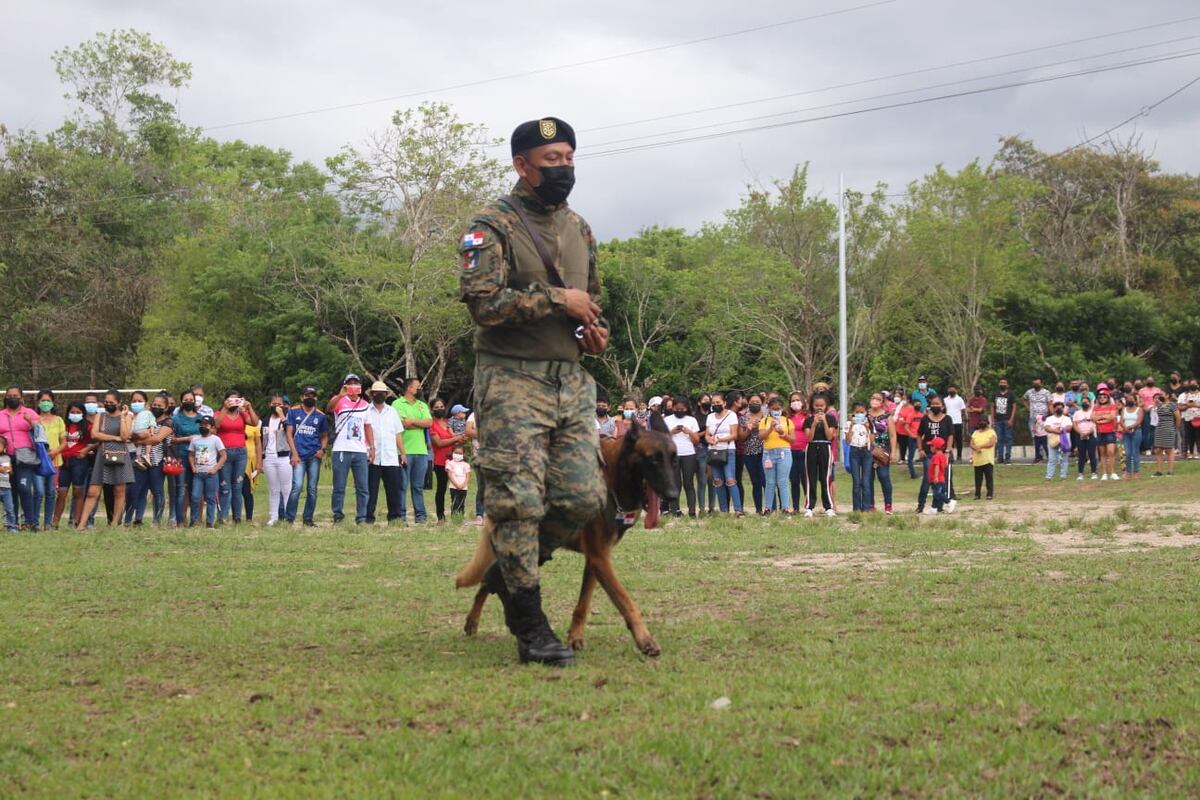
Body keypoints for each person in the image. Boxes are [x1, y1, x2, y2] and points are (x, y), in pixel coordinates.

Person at [456, 115, 608, 666]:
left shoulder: (581, 229)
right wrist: (555, 300)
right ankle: (530, 624)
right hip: (511, 378)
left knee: (583, 497)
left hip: (570, 380)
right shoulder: (491, 225)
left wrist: (593, 332)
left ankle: (508, 568)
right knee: (517, 502)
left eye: (569, 159)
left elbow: (590, 303)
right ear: (522, 165)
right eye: (551, 161)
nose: (564, 169)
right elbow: (484, 304)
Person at [77, 390, 133, 529]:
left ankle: (115, 523)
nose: (108, 404)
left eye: (111, 402)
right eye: (106, 402)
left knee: (119, 491)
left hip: (121, 455)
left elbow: (125, 436)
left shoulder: (127, 416)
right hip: (103, 455)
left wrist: (122, 417)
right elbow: (95, 434)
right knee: (92, 491)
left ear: (118, 403)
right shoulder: (100, 416)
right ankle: (82, 524)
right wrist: (114, 438)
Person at [327, 374, 374, 525]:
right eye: (350, 383)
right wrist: (340, 395)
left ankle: (361, 517)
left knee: (362, 487)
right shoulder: (340, 401)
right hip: (341, 448)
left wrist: (371, 447)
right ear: (345, 385)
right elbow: (329, 407)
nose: (353, 386)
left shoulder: (365, 405)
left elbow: (367, 427)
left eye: (355, 383)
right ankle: (338, 516)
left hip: (360, 450)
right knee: (339, 486)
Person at [286, 386, 329, 526]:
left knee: (312, 489)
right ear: (302, 397)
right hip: (298, 455)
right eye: (307, 395)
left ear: (316, 398)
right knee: (297, 486)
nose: (310, 397)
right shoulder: (293, 411)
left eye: (313, 395)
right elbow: (289, 434)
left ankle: (308, 518)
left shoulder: (321, 416)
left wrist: (322, 449)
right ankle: (289, 518)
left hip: (314, 456)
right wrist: (294, 453)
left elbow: (324, 436)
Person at [126, 395, 172, 526]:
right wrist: (137, 439)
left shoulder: (168, 422)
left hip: (156, 462)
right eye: (154, 404)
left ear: (166, 407)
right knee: (134, 490)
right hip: (140, 460)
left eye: (160, 405)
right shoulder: (145, 418)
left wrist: (138, 440)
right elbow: (133, 437)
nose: (156, 407)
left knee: (157, 491)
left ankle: (156, 521)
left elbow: (157, 439)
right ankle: (128, 520)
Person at [214, 390, 259, 524]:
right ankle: (223, 516)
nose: (234, 402)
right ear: (225, 400)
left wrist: (248, 407)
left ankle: (237, 517)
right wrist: (225, 408)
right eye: (231, 399)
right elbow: (217, 425)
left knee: (238, 485)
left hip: (240, 453)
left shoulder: (242, 414)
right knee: (225, 486)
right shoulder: (219, 413)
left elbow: (255, 423)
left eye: (237, 399)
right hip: (224, 453)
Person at [1, 386, 42, 530]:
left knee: (24, 488)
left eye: (15, 395)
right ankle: (13, 523)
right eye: (10, 395)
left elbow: (40, 432)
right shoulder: (1, 415)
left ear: (21, 398)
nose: (12, 398)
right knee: (10, 490)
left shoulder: (29, 412)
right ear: (5, 397)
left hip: (25, 457)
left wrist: (32, 422)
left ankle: (30, 522)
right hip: (6, 458)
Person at [365, 381, 406, 525]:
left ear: (386, 394)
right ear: (372, 394)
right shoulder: (366, 410)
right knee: (371, 490)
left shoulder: (392, 411)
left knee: (393, 490)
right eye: (377, 392)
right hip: (372, 457)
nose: (380, 395)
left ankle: (394, 518)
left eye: (382, 393)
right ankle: (368, 518)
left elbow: (398, 434)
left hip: (390, 456)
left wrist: (403, 453)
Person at [393, 377, 432, 524]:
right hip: (404, 450)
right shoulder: (397, 403)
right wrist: (418, 423)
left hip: (421, 451)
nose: (420, 389)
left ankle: (421, 516)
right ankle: (401, 517)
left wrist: (412, 421)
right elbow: (402, 424)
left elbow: (429, 422)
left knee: (418, 487)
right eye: (418, 386)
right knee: (402, 485)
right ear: (409, 388)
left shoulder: (422, 405)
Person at [54, 401, 94, 527]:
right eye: (72, 412)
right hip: (64, 462)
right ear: (68, 413)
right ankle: (55, 522)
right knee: (61, 493)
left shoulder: (88, 426)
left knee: (78, 491)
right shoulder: (64, 426)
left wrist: (86, 450)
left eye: (78, 412)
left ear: (83, 414)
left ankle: (77, 522)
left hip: (80, 461)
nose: (75, 414)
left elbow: (97, 441)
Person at [704, 392, 742, 517]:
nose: (716, 405)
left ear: (724, 403)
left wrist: (719, 439)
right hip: (713, 451)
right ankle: (723, 510)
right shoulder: (710, 417)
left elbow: (734, 434)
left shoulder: (731, 415)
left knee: (730, 480)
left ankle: (738, 509)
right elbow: (707, 434)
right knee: (718, 481)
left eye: (718, 402)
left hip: (728, 449)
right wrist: (709, 439)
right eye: (713, 403)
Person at [916, 398, 956, 515]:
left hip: (942, 453)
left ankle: (938, 506)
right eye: (933, 404)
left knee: (941, 480)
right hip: (929, 453)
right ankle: (921, 505)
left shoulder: (947, 419)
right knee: (928, 479)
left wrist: (948, 450)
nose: (935, 406)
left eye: (937, 404)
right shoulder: (925, 419)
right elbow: (919, 434)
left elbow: (950, 435)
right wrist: (920, 449)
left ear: (942, 406)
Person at [170, 390, 203, 527]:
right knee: (182, 489)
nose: (189, 401)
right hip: (182, 456)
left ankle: (197, 520)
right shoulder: (176, 418)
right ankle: (180, 520)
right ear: (181, 401)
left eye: (191, 399)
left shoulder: (200, 417)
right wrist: (187, 439)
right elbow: (172, 439)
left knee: (197, 490)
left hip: (200, 457)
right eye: (186, 399)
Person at [757, 396, 794, 516]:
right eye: (773, 409)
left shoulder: (787, 421)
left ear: (782, 408)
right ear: (769, 409)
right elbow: (761, 436)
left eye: (778, 408)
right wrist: (770, 429)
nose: (776, 411)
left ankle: (785, 508)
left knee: (782, 481)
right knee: (770, 482)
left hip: (784, 452)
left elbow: (793, 439)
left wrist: (782, 433)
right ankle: (768, 508)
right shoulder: (765, 421)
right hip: (768, 453)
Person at [261, 394, 294, 527]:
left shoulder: (287, 419)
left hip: (283, 457)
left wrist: (282, 416)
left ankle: (287, 515)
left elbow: (290, 432)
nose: (276, 406)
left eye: (279, 404)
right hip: (268, 457)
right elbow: (260, 440)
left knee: (286, 488)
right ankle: (273, 516)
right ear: (269, 405)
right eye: (273, 404)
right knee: (273, 489)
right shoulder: (264, 421)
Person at [34, 389, 65, 530]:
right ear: (38, 402)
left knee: (51, 493)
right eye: (43, 400)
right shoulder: (34, 420)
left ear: (53, 402)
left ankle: (47, 524)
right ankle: (34, 522)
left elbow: (63, 441)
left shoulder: (58, 420)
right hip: (38, 462)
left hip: (54, 462)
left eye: (48, 400)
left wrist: (55, 452)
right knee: (39, 492)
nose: (45, 403)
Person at [187, 416, 226, 528]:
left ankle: (209, 522)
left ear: (212, 427)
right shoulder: (195, 439)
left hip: (211, 474)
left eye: (205, 425)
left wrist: (216, 468)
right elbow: (191, 454)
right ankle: (194, 521)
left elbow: (223, 455)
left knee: (210, 498)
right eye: (201, 424)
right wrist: (193, 466)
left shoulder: (215, 439)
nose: (202, 426)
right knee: (195, 497)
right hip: (198, 474)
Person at [803, 395, 837, 518]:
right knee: (810, 478)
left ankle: (828, 507)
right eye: (816, 405)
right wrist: (814, 424)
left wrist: (825, 422)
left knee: (825, 478)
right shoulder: (808, 420)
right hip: (812, 447)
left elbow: (829, 436)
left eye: (821, 405)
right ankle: (809, 507)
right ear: (813, 406)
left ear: (826, 406)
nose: (819, 408)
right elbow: (809, 438)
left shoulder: (831, 418)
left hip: (825, 447)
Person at [665, 398, 700, 517]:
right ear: (673, 408)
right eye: (677, 409)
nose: (679, 411)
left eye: (682, 409)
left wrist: (689, 432)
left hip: (688, 454)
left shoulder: (691, 420)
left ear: (686, 408)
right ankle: (675, 511)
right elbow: (663, 438)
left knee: (688, 483)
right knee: (675, 484)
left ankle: (692, 511)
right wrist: (672, 432)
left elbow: (696, 441)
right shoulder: (667, 420)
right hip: (673, 454)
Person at [430, 397, 459, 524]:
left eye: (442, 407)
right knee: (441, 489)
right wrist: (455, 439)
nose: (440, 409)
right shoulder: (431, 425)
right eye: (437, 407)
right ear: (432, 409)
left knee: (456, 487)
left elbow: (455, 439)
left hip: (454, 460)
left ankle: (457, 514)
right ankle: (440, 516)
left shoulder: (448, 423)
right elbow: (439, 443)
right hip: (440, 461)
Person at [866, 392, 897, 514]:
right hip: (867, 451)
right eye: (873, 398)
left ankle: (888, 505)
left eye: (878, 399)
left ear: (882, 402)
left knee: (884, 476)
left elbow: (893, 435)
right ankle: (870, 505)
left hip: (883, 451)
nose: (874, 400)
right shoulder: (865, 415)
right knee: (868, 478)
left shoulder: (887, 417)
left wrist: (894, 451)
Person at [738, 394, 766, 515]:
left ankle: (772, 508)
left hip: (765, 452)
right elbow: (741, 438)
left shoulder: (767, 416)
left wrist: (761, 426)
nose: (755, 403)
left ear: (762, 403)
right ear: (748, 403)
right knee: (756, 482)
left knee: (766, 481)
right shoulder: (743, 418)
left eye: (757, 401)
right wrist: (749, 428)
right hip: (749, 452)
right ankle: (758, 509)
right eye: (752, 401)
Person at [845, 401, 871, 513]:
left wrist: (868, 428)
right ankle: (856, 508)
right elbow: (847, 440)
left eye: (862, 412)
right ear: (853, 413)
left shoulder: (869, 423)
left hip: (866, 452)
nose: (860, 414)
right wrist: (851, 425)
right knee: (856, 482)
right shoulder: (849, 424)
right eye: (857, 412)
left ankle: (865, 508)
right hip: (855, 451)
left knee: (865, 481)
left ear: (866, 413)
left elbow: (872, 441)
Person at [1092, 385, 1121, 481]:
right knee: (1103, 453)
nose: (1102, 398)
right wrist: (1104, 417)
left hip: (1110, 432)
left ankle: (1113, 472)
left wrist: (1100, 418)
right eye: (1100, 397)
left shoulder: (1112, 406)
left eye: (1104, 397)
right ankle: (1104, 473)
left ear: (1108, 397)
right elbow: (1093, 418)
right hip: (1100, 432)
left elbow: (1112, 416)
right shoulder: (1096, 408)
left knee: (1111, 452)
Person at [787, 391, 808, 513]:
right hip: (790, 451)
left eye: (798, 400)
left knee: (806, 480)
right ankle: (795, 507)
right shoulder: (787, 417)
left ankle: (808, 506)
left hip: (804, 451)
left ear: (803, 402)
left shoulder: (808, 416)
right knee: (794, 480)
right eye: (793, 401)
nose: (795, 403)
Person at [1151, 392, 1180, 477]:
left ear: (1167, 395)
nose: (1160, 396)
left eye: (1162, 394)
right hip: (1159, 428)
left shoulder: (1172, 405)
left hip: (1169, 428)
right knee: (1158, 450)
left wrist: (1175, 428)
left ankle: (1170, 471)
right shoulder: (1159, 405)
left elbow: (1178, 417)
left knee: (1169, 450)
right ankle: (1159, 471)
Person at [1023, 378, 1051, 464]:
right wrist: (1028, 408)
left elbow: (1050, 403)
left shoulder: (1046, 392)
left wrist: (1049, 414)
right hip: (1033, 418)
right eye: (1034, 383)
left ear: (1041, 383)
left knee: (1044, 438)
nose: (1036, 384)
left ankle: (1049, 456)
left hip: (1043, 418)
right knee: (1035, 438)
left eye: (1038, 383)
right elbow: (1024, 399)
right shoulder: (1029, 392)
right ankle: (1039, 457)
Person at [1043, 401, 1073, 481]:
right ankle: (1049, 477)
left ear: (1063, 409)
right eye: (1057, 408)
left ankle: (1063, 476)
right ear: (1054, 409)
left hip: (1064, 442)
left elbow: (1069, 428)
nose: (1059, 409)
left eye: (1061, 408)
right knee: (1052, 460)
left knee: (1064, 460)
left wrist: (1061, 430)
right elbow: (1047, 428)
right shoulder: (1049, 419)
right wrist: (1055, 431)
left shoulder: (1067, 418)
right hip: (1052, 442)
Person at [1072, 395, 1099, 480]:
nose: (1084, 403)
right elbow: (1074, 424)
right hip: (1079, 435)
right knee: (1081, 455)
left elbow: (1095, 424)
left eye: (1086, 402)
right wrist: (1081, 433)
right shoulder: (1077, 413)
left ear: (1089, 403)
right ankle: (1080, 474)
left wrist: (1088, 433)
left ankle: (1094, 473)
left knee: (1092, 454)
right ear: (1081, 403)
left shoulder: (1093, 412)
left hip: (1091, 435)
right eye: (1083, 402)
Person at [969, 418, 996, 500]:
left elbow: (991, 443)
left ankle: (989, 494)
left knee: (989, 478)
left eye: (983, 421)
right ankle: (977, 494)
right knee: (978, 479)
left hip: (987, 459)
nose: (982, 423)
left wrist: (980, 446)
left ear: (987, 423)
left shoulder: (991, 432)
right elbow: (971, 443)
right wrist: (975, 448)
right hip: (977, 459)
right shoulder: (975, 433)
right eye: (980, 421)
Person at [894, 393, 919, 478]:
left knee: (910, 450)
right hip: (900, 430)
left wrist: (904, 421)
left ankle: (911, 469)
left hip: (908, 432)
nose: (902, 400)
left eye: (904, 399)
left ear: (908, 400)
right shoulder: (901, 407)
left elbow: (910, 421)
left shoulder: (912, 409)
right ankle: (902, 459)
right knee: (902, 446)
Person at [1119, 393, 1143, 479]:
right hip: (1126, 433)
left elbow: (1139, 421)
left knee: (1135, 452)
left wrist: (1131, 427)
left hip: (1136, 432)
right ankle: (1128, 472)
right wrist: (1125, 428)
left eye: (1131, 398)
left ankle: (1136, 471)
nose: (1130, 400)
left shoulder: (1139, 409)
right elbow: (1121, 421)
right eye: (1128, 398)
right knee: (1128, 453)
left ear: (1135, 400)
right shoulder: (1123, 409)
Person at [242, 416, 261, 522]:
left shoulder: (253, 425)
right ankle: (236, 517)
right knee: (235, 490)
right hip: (236, 460)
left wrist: (259, 462)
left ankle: (249, 518)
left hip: (250, 461)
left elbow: (258, 444)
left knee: (248, 490)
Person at [992, 379, 1015, 464]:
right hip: (998, 420)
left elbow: (1014, 407)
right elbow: (992, 406)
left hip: (1007, 419)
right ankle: (1000, 457)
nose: (1002, 384)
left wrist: (1011, 419)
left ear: (1007, 384)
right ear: (999, 384)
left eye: (1004, 383)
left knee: (1008, 438)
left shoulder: (1010, 394)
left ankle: (1007, 457)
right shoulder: (995, 394)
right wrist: (993, 420)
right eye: (1001, 383)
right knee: (999, 439)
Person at [446, 444, 471, 522]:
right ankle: (454, 519)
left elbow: (468, 476)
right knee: (455, 503)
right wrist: (456, 485)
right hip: (453, 487)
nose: (458, 455)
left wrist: (463, 485)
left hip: (464, 488)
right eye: (456, 453)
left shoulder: (466, 464)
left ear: (463, 454)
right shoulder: (450, 463)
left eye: (460, 453)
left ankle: (461, 518)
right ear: (452, 452)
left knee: (461, 503)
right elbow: (449, 475)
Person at [942, 384, 967, 463]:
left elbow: (963, 410)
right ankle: (950, 456)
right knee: (949, 440)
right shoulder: (945, 399)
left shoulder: (959, 399)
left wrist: (963, 418)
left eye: (953, 389)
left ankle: (959, 456)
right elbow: (943, 410)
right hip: (948, 423)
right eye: (950, 389)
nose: (951, 390)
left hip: (958, 422)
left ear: (956, 390)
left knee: (958, 440)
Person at [926, 436, 950, 514]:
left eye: (931, 446)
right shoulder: (943, 456)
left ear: (935, 447)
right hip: (942, 478)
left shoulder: (936, 456)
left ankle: (949, 502)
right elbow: (945, 465)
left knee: (937, 493)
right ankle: (935, 508)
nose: (930, 447)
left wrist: (935, 477)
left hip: (937, 479)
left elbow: (937, 466)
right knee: (936, 495)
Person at [1138, 376, 1159, 455]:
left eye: (1151, 380)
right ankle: (1147, 448)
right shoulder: (1142, 390)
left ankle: (1155, 447)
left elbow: (1159, 399)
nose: (1150, 381)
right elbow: (1140, 401)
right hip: (1146, 411)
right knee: (1146, 431)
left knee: (1155, 430)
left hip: (1156, 411)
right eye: (1148, 380)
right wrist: (1145, 408)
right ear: (1146, 381)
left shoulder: (1157, 390)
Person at [1180, 378, 1200, 459]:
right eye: (1191, 383)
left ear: (1198, 385)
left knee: (1198, 436)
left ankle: (1199, 452)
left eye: (1194, 383)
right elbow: (1180, 406)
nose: (1193, 385)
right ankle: (1190, 452)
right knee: (1189, 436)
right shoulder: (1184, 395)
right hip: (1187, 418)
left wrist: (1195, 405)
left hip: (1198, 418)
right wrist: (1188, 405)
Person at [0, 437, 14, 532]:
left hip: (6, 487)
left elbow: (11, 472)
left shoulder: (7, 458)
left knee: (10, 508)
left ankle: (11, 527)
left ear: (4, 447)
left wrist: (9, 470)